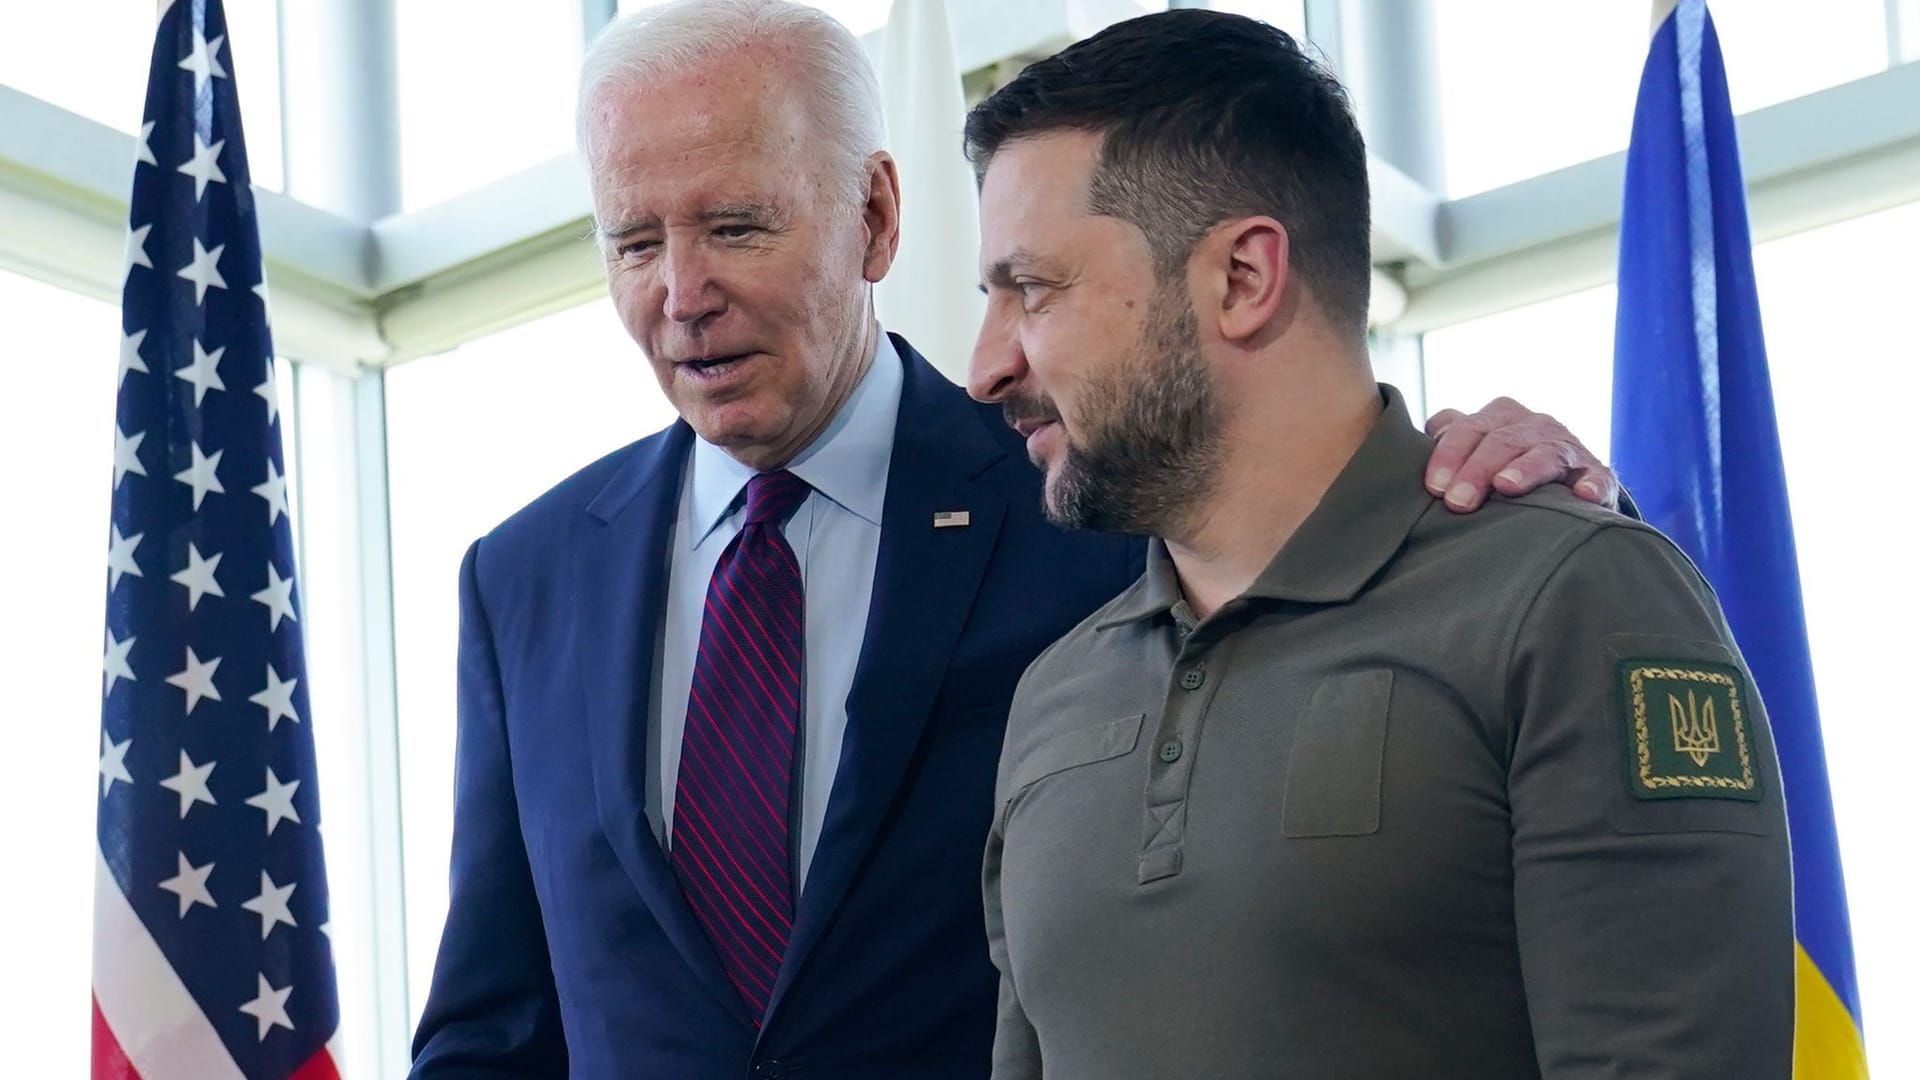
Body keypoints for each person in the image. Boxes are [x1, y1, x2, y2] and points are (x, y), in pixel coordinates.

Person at [410, 2, 1623, 1076]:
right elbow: (495, 1030)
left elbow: (1314, 498)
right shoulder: (525, 578)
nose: (679, 294)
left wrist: (1489, 474)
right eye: (634, 243)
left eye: (735, 228)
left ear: (875, 218)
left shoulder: (1099, 496)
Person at [964, 10, 1794, 1080]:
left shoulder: (1570, 600)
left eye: (1030, 290)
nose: (985, 365)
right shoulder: (1055, 690)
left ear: (1242, 279)